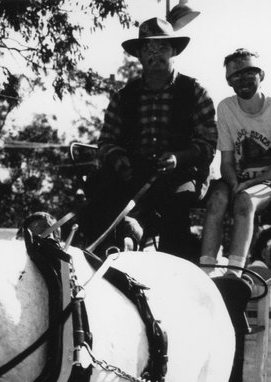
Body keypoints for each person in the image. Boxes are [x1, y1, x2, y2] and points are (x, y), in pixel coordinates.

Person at [82, 17, 217, 261]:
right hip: (135, 171)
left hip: (183, 173)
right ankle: (100, 262)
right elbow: (106, 142)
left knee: (176, 205)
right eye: (148, 48)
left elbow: (207, 144)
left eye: (162, 47)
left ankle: (174, 271)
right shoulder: (123, 97)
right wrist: (117, 157)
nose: (155, 54)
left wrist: (179, 157)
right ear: (139, 55)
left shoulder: (195, 91)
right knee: (96, 193)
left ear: (174, 51)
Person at [198, 49, 271, 277]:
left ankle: (234, 270)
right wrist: (233, 182)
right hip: (237, 178)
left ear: (261, 75)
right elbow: (227, 162)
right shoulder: (226, 108)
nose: (242, 81)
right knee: (217, 199)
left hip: (269, 179)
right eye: (235, 76)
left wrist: (249, 185)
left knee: (244, 202)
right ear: (229, 82)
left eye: (248, 73)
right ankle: (207, 267)